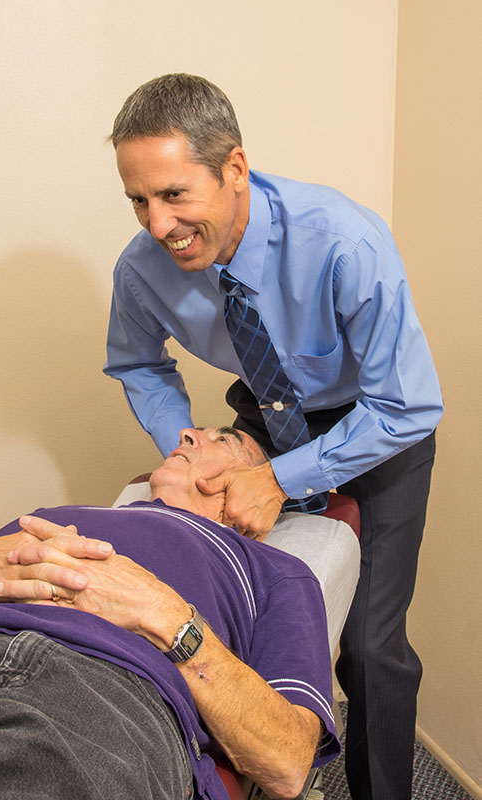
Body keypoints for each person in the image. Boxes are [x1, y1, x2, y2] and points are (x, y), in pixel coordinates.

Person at [103, 74, 444, 800]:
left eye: (173, 195)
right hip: (266, 411)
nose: (156, 224)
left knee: (369, 650)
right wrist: (187, 443)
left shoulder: (344, 242)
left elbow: (407, 406)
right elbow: (136, 362)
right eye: (138, 198)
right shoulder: (141, 269)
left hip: (374, 423)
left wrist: (281, 481)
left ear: (233, 168)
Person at [0, 426, 339, 800]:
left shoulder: (273, 571)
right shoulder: (50, 517)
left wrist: (165, 615)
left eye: (221, 438)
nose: (186, 435)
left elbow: (288, 764)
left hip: (105, 701)